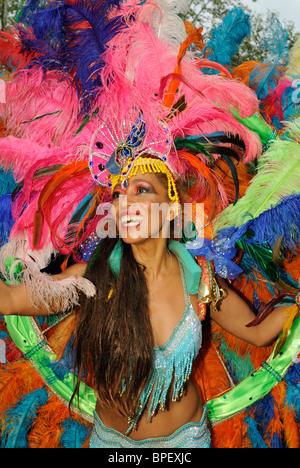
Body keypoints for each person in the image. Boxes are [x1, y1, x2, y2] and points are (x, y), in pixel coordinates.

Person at [0, 152, 296, 449]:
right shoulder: (93, 279)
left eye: (141, 190)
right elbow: (12, 299)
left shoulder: (200, 280)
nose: (124, 203)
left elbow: (258, 332)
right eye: (118, 194)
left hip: (184, 443)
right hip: (110, 443)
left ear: (170, 210)